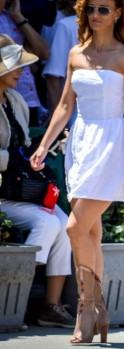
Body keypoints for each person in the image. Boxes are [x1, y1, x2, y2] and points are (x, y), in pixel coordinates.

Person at [30, 0, 124, 344]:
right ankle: (101, 311)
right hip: (80, 143)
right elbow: (65, 105)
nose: (96, 15)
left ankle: (86, 307)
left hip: (112, 144)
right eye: (91, 8)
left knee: (74, 227)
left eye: (104, 9)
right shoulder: (76, 53)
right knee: (91, 233)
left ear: (118, 13)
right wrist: (44, 145)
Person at [0, 34, 75, 329]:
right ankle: (13, 297)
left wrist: (41, 150)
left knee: (64, 222)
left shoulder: (15, 100)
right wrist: (14, 159)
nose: (22, 71)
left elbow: (25, 144)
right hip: (3, 194)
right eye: (15, 66)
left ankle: (50, 307)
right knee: (48, 224)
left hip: (19, 190)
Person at [0, 0, 50, 126]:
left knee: (27, 143)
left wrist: (18, 17)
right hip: (3, 101)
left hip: (27, 101)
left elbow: (44, 53)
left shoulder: (12, 16)